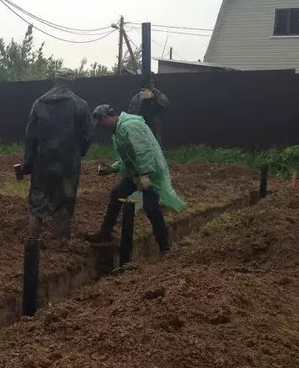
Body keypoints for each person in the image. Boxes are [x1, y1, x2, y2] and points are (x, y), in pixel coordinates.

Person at [90, 104, 185, 255]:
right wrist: (112, 168)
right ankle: (105, 233)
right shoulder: (118, 130)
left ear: (105, 118)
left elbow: (143, 151)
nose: (101, 127)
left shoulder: (130, 126)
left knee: (151, 207)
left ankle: (164, 248)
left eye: (101, 123)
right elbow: (127, 157)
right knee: (117, 193)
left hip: (150, 172)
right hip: (137, 172)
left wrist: (145, 174)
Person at [15, 81, 93, 241]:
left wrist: (28, 164)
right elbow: (88, 135)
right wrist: (79, 152)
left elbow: (30, 137)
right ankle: (62, 243)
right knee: (65, 199)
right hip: (68, 164)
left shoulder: (39, 103)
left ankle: (33, 239)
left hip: (42, 163)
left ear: (56, 81)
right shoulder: (80, 104)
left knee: (38, 198)